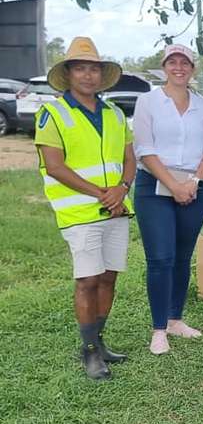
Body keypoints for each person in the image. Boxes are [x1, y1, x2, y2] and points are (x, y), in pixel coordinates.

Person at [35, 36, 136, 380]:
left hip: (116, 209)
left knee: (109, 278)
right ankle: (89, 351)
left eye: (94, 69)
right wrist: (101, 193)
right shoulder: (52, 113)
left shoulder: (114, 113)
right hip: (80, 213)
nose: (88, 75)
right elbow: (55, 166)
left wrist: (122, 189)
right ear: (69, 74)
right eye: (81, 68)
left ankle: (99, 341)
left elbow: (129, 158)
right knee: (87, 280)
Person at [132, 44, 203, 355]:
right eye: (173, 62)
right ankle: (158, 329)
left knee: (182, 256)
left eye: (185, 63)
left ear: (192, 68)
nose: (179, 67)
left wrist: (193, 182)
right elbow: (144, 149)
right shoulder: (148, 102)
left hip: (194, 186)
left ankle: (175, 319)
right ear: (164, 66)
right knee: (160, 258)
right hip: (155, 186)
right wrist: (174, 185)